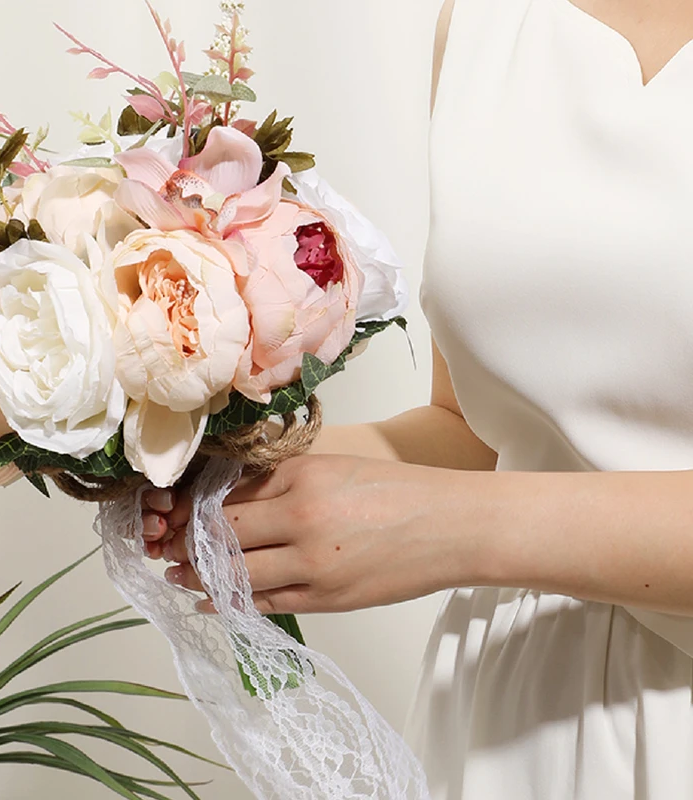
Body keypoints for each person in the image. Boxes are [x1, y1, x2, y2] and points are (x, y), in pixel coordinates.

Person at [140, 0, 693, 796]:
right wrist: (207, 444)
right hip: (518, 713)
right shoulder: (488, 26)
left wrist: (450, 530)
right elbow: (477, 429)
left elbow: (462, 508)